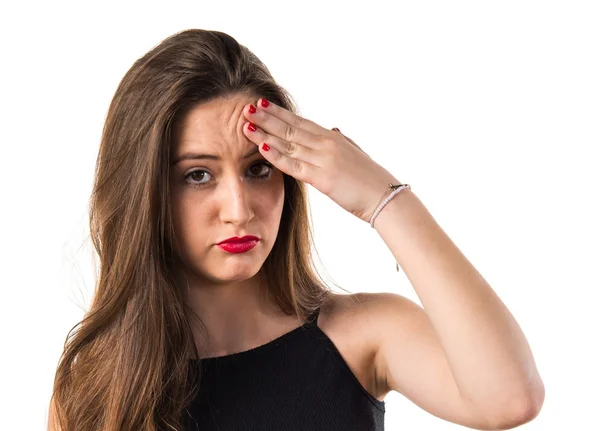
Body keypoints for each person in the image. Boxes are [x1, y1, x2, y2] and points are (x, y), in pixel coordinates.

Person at [48, 29, 545, 431]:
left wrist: (383, 199)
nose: (238, 209)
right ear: (145, 194)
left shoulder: (361, 336)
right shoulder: (96, 383)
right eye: (197, 175)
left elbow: (509, 399)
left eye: (258, 168)